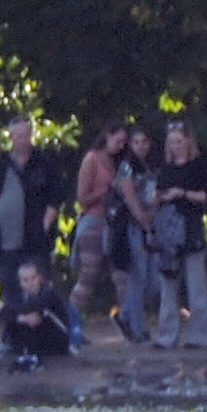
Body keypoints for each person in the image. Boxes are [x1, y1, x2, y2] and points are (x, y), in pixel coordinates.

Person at [0, 114, 66, 297]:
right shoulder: (0, 166)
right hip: (6, 242)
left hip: (36, 241)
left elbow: (56, 198)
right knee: (10, 289)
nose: (23, 140)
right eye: (18, 136)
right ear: (11, 137)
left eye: (26, 135)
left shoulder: (44, 163)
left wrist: (44, 227)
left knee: (38, 290)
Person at [152, 124, 207, 348]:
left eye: (179, 141)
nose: (175, 146)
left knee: (196, 286)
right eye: (172, 142)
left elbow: (205, 196)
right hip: (168, 232)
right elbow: (157, 196)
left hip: (191, 229)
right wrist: (160, 197)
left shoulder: (199, 166)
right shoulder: (165, 169)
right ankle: (167, 335)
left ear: (188, 141)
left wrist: (183, 194)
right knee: (168, 285)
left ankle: (200, 336)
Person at [71, 124, 128, 322]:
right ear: (107, 136)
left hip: (113, 222)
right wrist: (107, 191)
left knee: (121, 276)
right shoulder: (92, 159)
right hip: (93, 222)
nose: (121, 146)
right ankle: (70, 319)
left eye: (124, 142)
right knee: (89, 276)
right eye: (118, 141)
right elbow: (82, 197)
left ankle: (127, 319)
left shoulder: (117, 162)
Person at [110, 126, 158, 341]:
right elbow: (129, 197)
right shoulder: (126, 166)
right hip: (132, 225)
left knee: (154, 280)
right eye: (136, 142)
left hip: (153, 223)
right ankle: (138, 329)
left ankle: (125, 314)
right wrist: (143, 220)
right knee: (137, 277)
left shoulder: (152, 165)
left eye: (144, 142)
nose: (141, 146)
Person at [0, 258, 73, 364]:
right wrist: (20, 318)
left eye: (33, 278)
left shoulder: (49, 293)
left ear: (40, 278)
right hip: (36, 340)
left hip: (57, 339)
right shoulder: (20, 296)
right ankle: (17, 347)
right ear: (20, 282)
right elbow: (0, 313)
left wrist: (14, 312)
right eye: (25, 280)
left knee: (33, 315)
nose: (30, 283)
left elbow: (33, 306)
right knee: (18, 318)